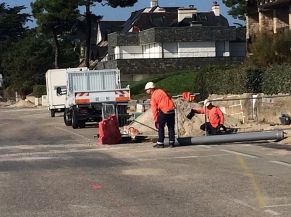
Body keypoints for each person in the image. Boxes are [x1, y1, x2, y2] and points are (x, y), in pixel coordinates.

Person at [145, 82, 176, 148]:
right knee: (171, 127)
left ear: (150, 89)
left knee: (160, 127)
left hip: (164, 111)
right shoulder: (161, 91)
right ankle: (172, 143)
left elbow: (154, 109)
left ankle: (160, 143)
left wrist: (156, 120)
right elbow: (169, 97)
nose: (146, 91)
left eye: (146, 90)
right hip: (172, 111)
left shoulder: (153, 96)